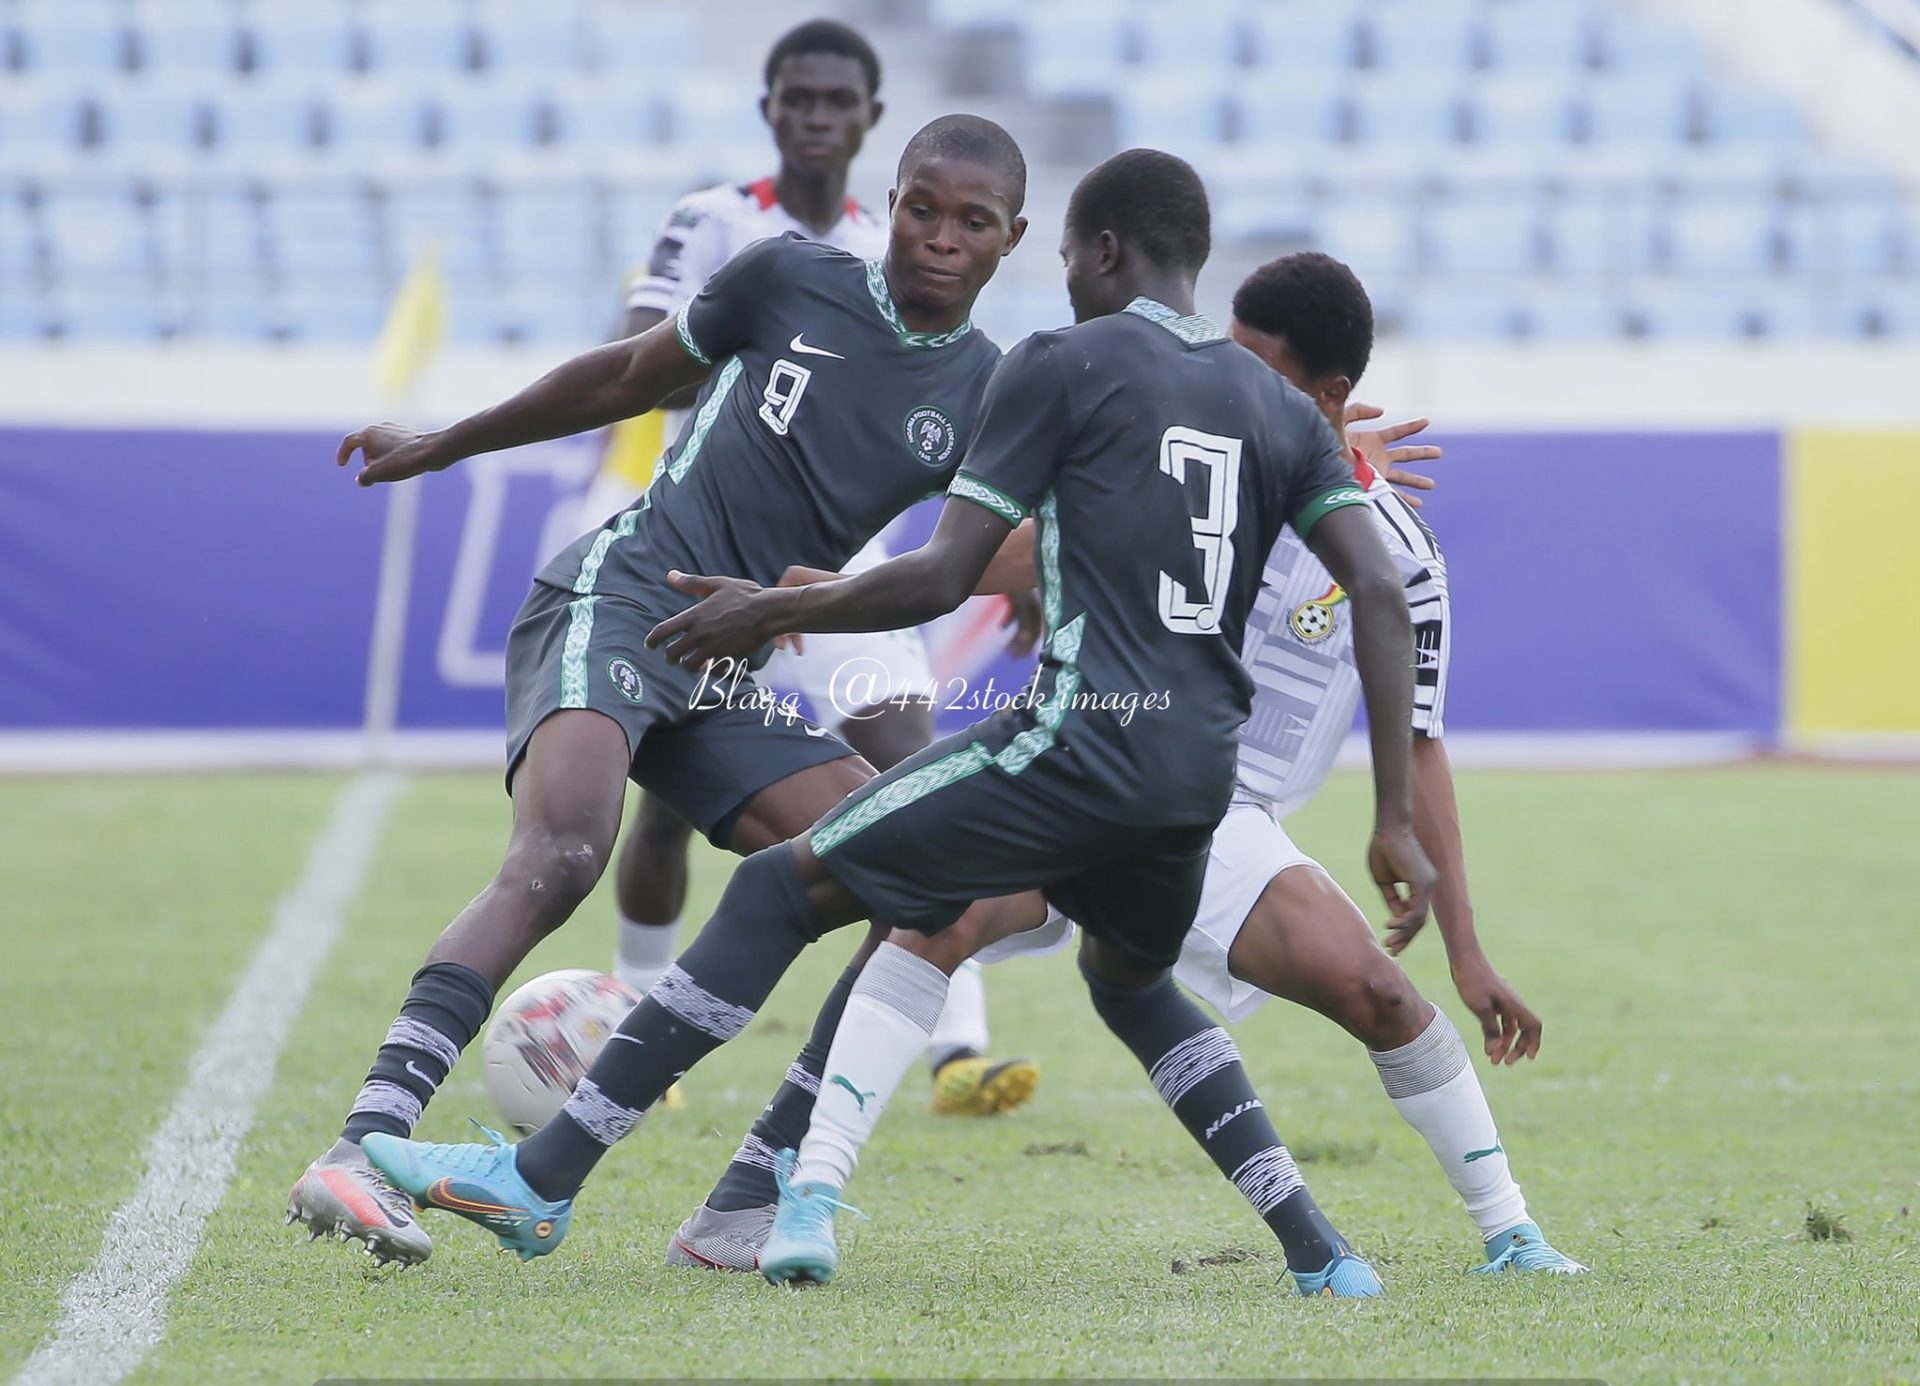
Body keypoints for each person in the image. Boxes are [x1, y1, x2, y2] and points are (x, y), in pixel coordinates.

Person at [358, 148, 1435, 1299]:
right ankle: (1322, 1253)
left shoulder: (1057, 361)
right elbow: (1376, 589)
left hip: (1070, 751)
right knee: (1128, 983)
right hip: (1191, 786)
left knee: (783, 885)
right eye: (923, 210)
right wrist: (1394, 819)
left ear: (1094, 251)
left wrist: (777, 606)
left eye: (1058, 250)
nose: (1059, 277)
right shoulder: (1274, 410)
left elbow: (940, 576)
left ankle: (543, 1178)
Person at [286, 115, 1034, 1268]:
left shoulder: (990, 391)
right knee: (565, 854)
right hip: (621, 595)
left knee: (906, 884)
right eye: (922, 208)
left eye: (971, 223)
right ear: (890, 202)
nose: (939, 238)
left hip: (727, 661)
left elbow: (1005, 549)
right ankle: (362, 1141)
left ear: (1010, 241)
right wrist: (448, 441)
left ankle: (749, 1196)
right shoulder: (789, 277)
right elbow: (632, 374)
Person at [776, 252, 1585, 1282]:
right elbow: (1009, 551)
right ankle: (808, 1197)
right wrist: (835, 592)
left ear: (1328, 399)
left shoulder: (1397, 558)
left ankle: (1510, 1231)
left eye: (1257, 366)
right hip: (1092, 760)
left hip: (1222, 816)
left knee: (1378, 994)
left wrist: (1467, 953)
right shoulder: (1175, 456)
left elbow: (1421, 745)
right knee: (935, 921)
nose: (1216, 377)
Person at [584, 20, 1038, 1123]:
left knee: (916, 777)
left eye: (840, 99)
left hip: (840, 558)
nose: (818, 115)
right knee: (665, 804)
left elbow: (939, 421)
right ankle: (650, 1018)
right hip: (691, 536)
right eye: (799, 96)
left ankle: (956, 1046)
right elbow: (646, 355)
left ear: (873, 120)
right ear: (771, 107)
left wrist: (1009, 560)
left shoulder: (909, 235)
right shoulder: (717, 220)